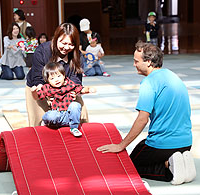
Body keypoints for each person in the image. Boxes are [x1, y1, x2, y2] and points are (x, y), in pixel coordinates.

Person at [97, 41, 196, 185]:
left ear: (148, 62)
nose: (134, 64)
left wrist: (121, 145)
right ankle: (179, 160)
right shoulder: (173, 76)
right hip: (186, 142)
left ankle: (169, 167)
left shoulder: (149, 83)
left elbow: (142, 119)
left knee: (130, 166)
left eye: (136, 61)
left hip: (161, 145)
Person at [26, 23, 89, 127]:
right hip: (40, 88)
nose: (66, 47)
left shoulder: (77, 55)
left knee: (81, 115)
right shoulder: (42, 50)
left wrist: (73, 93)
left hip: (66, 88)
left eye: (71, 44)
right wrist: (44, 93)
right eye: (63, 43)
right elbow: (37, 77)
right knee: (38, 121)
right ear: (55, 39)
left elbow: (76, 79)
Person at [31, 62, 96, 137]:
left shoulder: (69, 84)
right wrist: (34, 92)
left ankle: (74, 128)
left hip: (68, 115)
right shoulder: (47, 87)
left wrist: (89, 89)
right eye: (52, 78)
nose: (56, 80)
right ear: (47, 80)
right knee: (51, 115)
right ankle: (47, 122)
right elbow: (37, 97)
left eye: (59, 76)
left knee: (76, 105)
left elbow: (80, 89)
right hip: (57, 114)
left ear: (64, 75)